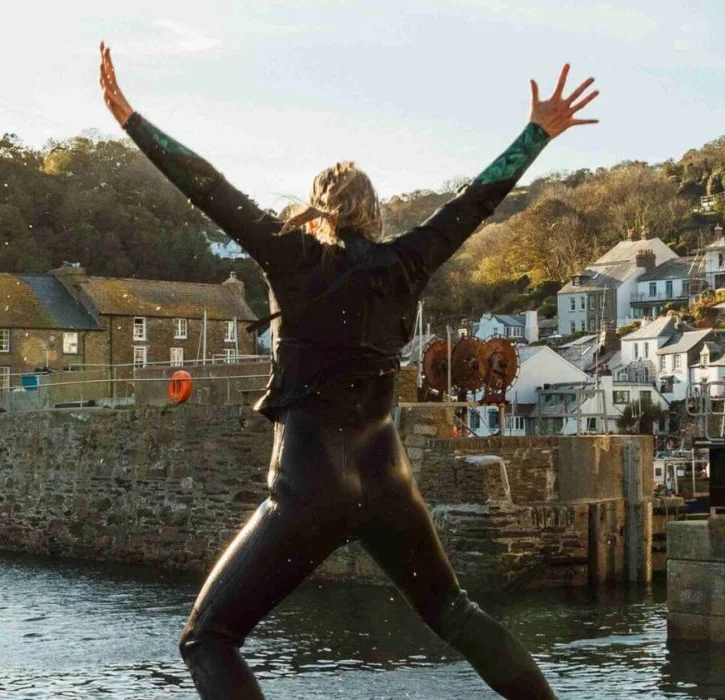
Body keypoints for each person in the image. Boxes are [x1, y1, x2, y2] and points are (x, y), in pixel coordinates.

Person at [99, 44, 597, 699]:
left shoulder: (290, 255)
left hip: (308, 486)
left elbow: (209, 186)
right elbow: (475, 202)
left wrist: (132, 120)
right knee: (454, 612)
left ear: (318, 210)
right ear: (376, 212)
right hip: (389, 482)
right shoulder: (406, 263)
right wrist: (535, 134)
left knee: (208, 639)